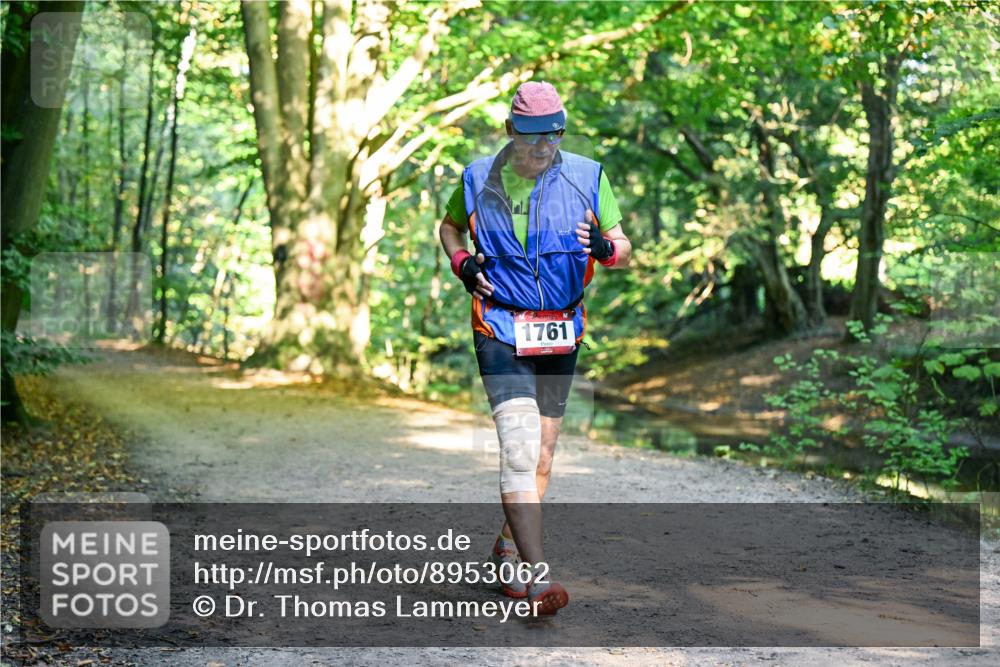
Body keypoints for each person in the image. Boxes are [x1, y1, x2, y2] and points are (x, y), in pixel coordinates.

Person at [438, 81, 631, 615]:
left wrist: (607, 249)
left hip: (561, 330)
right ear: (510, 132)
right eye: (530, 138)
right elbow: (450, 229)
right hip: (499, 327)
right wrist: (463, 264)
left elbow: (624, 245)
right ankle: (537, 577)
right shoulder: (477, 178)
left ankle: (506, 546)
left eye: (552, 136)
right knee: (520, 450)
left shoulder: (589, 175)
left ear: (562, 131)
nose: (542, 147)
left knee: (543, 456)